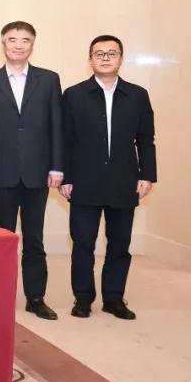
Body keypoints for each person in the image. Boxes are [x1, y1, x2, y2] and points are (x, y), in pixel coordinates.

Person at [61, 35, 156, 320]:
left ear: (121, 59)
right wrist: (66, 177)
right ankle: (83, 298)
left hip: (124, 181)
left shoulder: (137, 95)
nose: (105, 58)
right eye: (99, 53)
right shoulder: (74, 95)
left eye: (111, 53)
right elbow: (65, 140)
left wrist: (147, 175)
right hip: (84, 181)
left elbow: (146, 139)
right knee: (83, 244)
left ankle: (114, 299)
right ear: (90, 59)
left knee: (119, 244)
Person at [0, 21, 63, 320]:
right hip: (1, 171)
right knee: (3, 238)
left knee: (34, 238)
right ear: (3, 44)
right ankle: (0, 297)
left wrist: (57, 166)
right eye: (12, 40)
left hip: (37, 171)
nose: (18, 45)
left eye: (25, 40)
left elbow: (56, 125)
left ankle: (36, 297)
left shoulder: (49, 80)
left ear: (32, 45)